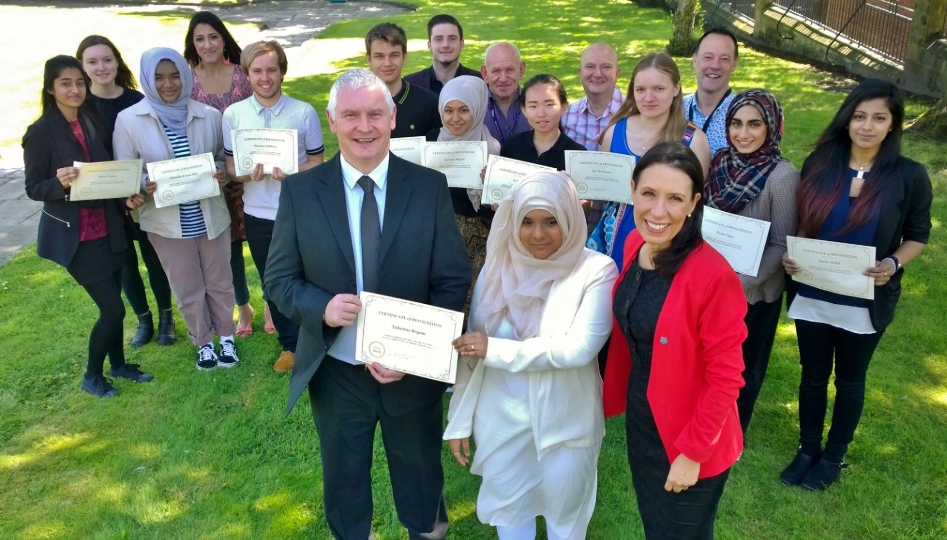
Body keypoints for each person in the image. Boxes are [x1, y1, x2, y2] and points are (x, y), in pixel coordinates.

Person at [263, 69, 471, 540]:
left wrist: (417, 353)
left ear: (392, 117)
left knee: (420, 478)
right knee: (344, 479)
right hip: (337, 370)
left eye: (375, 113)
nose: (364, 126)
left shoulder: (428, 186)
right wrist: (320, 306)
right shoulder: (300, 192)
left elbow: (452, 278)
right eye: (351, 115)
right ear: (332, 120)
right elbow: (278, 278)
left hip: (410, 369)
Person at [445, 171, 617, 540]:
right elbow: (472, 353)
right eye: (527, 221)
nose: (538, 234)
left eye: (551, 221)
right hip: (501, 423)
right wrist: (460, 418)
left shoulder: (596, 270)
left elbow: (579, 347)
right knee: (511, 517)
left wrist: (497, 349)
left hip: (566, 427)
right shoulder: (497, 266)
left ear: (570, 218)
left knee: (565, 523)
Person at [780, 79, 932, 490]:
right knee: (812, 376)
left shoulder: (909, 175)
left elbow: (918, 233)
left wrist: (892, 263)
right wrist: (794, 254)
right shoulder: (820, 163)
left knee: (849, 379)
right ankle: (807, 449)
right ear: (847, 120)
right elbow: (803, 222)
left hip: (864, 300)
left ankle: (833, 457)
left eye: (879, 118)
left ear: (892, 125)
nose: (867, 125)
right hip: (813, 293)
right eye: (860, 116)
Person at [603, 142, 746, 540]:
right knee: (656, 526)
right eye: (649, 193)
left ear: (694, 203)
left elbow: (727, 378)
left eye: (675, 198)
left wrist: (693, 453)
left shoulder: (713, 275)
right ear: (632, 190)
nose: (658, 211)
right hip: (644, 420)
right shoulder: (636, 245)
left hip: (692, 435)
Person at [23, 55, 153, 398]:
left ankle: (119, 365)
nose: (75, 89)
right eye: (66, 83)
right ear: (51, 89)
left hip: (109, 227)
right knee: (113, 308)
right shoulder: (39, 132)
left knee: (113, 301)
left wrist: (126, 198)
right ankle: (91, 375)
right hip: (75, 236)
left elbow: (106, 177)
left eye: (79, 82)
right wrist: (58, 182)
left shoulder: (91, 119)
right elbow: (33, 188)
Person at [114, 47, 239, 371]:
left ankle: (226, 337)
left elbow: (220, 161)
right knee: (187, 285)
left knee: (219, 281)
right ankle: (203, 342)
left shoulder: (208, 115)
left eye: (174, 76)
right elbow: (125, 172)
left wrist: (221, 173)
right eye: (158, 77)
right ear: (147, 79)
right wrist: (143, 183)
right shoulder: (129, 121)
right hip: (167, 223)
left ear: (185, 77)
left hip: (210, 215)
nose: (168, 84)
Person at [223, 41, 325, 373]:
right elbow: (229, 168)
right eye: (257, 71)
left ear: (282, 71)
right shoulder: (235, 115)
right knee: (274, 282)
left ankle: (319, 336)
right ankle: (291, 346)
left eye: (271, 69)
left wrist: (294, 173)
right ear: (246, 74)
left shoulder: (303, 112)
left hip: (299, 211)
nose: (265, 78)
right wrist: (245, 174)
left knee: (310, 276)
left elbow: (318, 162)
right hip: (258, 213)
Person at [704, 89, 799, 438]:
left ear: (771, 127)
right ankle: (708, 422)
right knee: (710, 362)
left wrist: (741, 283)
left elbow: (782, 244)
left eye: (754, 125)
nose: (743, 134)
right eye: (736, 124)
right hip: (710, 283)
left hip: (753, 291)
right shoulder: (719, 162)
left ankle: (733, 433)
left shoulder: (782, 176)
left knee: (743, 367)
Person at [77, 35, 176, 349]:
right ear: (82, 66)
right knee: (125, 264)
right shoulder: (81, 105)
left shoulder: (137, 100)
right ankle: (143, 320)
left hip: (145, 193)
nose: (101, 67)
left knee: (155, 257)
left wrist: (144, 186)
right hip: (106, 199)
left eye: (107, 59)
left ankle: (166, 318)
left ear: (117, 61)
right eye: (92, 61)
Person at [588, 52, 711, 270]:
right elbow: (603, 192)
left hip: (666, 239)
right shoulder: (615, 132)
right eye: (641, 89)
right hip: (613, 237)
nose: (648, 97)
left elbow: (694, 204)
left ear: (675, 89)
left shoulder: (694, 141)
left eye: (658, 89)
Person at [184, 11, 261, 338]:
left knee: (264, 242)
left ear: (223, 37)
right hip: (212, 178)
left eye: (213, 36)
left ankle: (272, 302)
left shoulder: (244, 75)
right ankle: (243, 306)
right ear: (192, 43)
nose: (207, 44)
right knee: (227, 250)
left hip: (250, 174)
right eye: (199, 38)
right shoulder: (186, 81)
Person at [425, 75, 501, 308]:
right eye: (448, 110)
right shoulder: (430, 142)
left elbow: (495, 207)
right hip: (433, 236)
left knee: (471, 301)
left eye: (464, 110)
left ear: (477, 109)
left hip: (476, 242)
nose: (455, 119)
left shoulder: (492, 148)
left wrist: (491, 186)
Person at [563, 42, 625, 230]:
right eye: (590, 67)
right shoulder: (566, 117)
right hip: (576, 224)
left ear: (617, 72)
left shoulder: (634, 115)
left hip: (619, 225)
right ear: (580, 72)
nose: (597, 73)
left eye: (606, 66)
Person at [365, 22, 442, 138]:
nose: (387, 63)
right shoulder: (357, 103)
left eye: (394, 55)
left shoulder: (429, 103)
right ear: (369, 59)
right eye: (379, 56)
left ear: (404, 57)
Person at [501, 75, 586, 171]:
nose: (541, 114)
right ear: (524, 110)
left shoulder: (577, 155)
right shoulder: (513, 145)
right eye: (533, 106)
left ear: (563, 107)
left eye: (549, 105)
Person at [684, 29, 739, 156]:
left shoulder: (742, 114)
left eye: (724, 59)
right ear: (694, 59)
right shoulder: (676, 108)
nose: (715, 65)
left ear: (734, 64)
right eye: (708, 57)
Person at [405, 14, 482, 95]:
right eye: (438, 39)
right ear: (429, 45)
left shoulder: (478, 81)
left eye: (452, 39)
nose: (445, 45)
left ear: (461, 44)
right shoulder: (410, 84)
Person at [481, 42, 530, 146]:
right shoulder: (474, 108)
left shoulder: (536, 105)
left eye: (510, 70)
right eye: (496, 71)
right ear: (485, 73)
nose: (503, 79)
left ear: (521, 70)